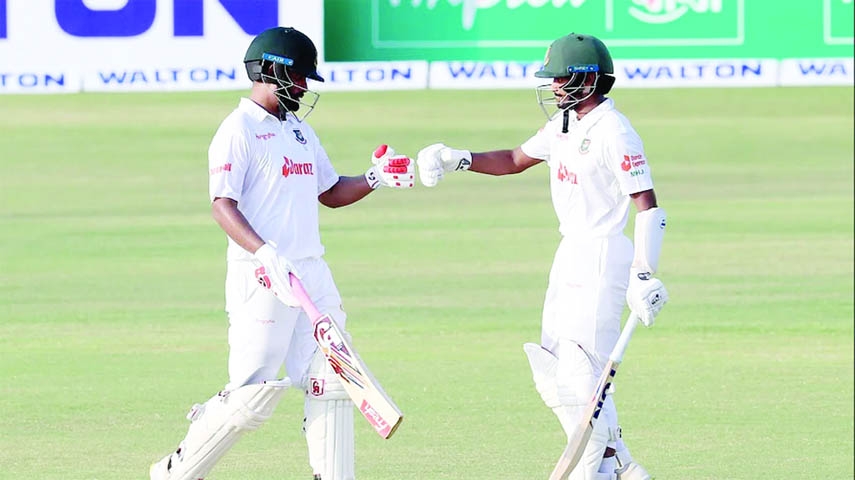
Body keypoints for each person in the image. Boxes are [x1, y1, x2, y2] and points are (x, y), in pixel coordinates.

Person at [150, 26, 414, 480]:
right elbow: (221, 205)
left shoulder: (299, 129)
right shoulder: (237, 130)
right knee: (252, 394)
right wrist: (264, 253)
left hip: (310, 268)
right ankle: (176, 472)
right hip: (263, 276)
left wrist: (375, 178)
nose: (306, 89)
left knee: (331, 376)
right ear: (271, 71)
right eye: (300, 79)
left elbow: (329, 192)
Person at [415, 33, 668, 480]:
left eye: (560, 78)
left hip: (603, 254)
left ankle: (599, 470)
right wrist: (459, 158)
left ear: (587, 80)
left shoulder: (615, 131)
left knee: (582, 375)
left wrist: (644, 273)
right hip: (569, 251)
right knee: (553, 370)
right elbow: (514, 159)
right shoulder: (565, 125)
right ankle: (620, 463)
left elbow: (647, 203)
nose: (553, 87)